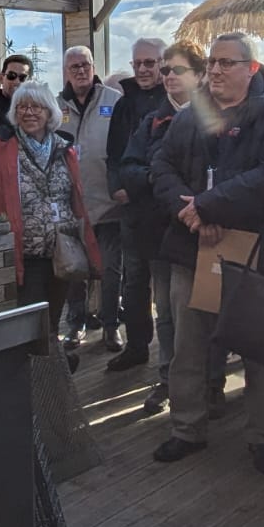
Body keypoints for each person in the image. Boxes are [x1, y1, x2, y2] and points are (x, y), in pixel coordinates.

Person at [149, 33, 264, 474]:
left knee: (260, 351)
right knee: (188, 347)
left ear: (251, 69)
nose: (215, 70)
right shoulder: (190, 115)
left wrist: (210, 206)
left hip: (255, 251)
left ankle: (262, 437)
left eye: (227, 63)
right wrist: (193, 213)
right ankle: (186, 429)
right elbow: (161, 166)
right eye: (212, 62)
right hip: (193, 245)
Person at [0, 81, 100, 330]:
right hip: (25, 256)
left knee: (52, 321)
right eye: (22, 107)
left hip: (62, 252)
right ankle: (41, 355)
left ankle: (51, 354)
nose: (29, 112)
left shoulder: (65, 149)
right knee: (30, 325)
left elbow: (75, 199)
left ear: (49, 112)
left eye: (36, 107)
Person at [117, 41, 208, 413]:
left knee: (206, 312)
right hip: (159, 231)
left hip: (205, 231)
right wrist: (156, 178)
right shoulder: (152, 120)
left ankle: (211, 384)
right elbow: (127, 167)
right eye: (166, 70)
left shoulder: (217, 117)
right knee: (167, 312)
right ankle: (169, 379)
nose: (168, 76)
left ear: (199, 74)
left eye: (177, 69)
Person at [105, 38, 168, 371]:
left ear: (162, 63)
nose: (142, 69)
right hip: (131, 207)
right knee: (133, 281)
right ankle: (137, 345)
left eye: (149, 63)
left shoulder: (172, 100)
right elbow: (113, 153)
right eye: (137, 63)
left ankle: (169, 359)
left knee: (166, 289)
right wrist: (116, 186)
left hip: (162, 209)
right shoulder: (124, 103)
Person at [57, 46, 124, 350]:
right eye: (74, 67)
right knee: (75, 269)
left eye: (85, 65)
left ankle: (111, 325)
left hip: (108, 201)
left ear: (93, 67)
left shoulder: (114, 100)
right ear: (66, 72)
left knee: (110, 269)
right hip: (71, 204)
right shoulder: (56, 106)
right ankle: (76, 323)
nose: (81, 71)